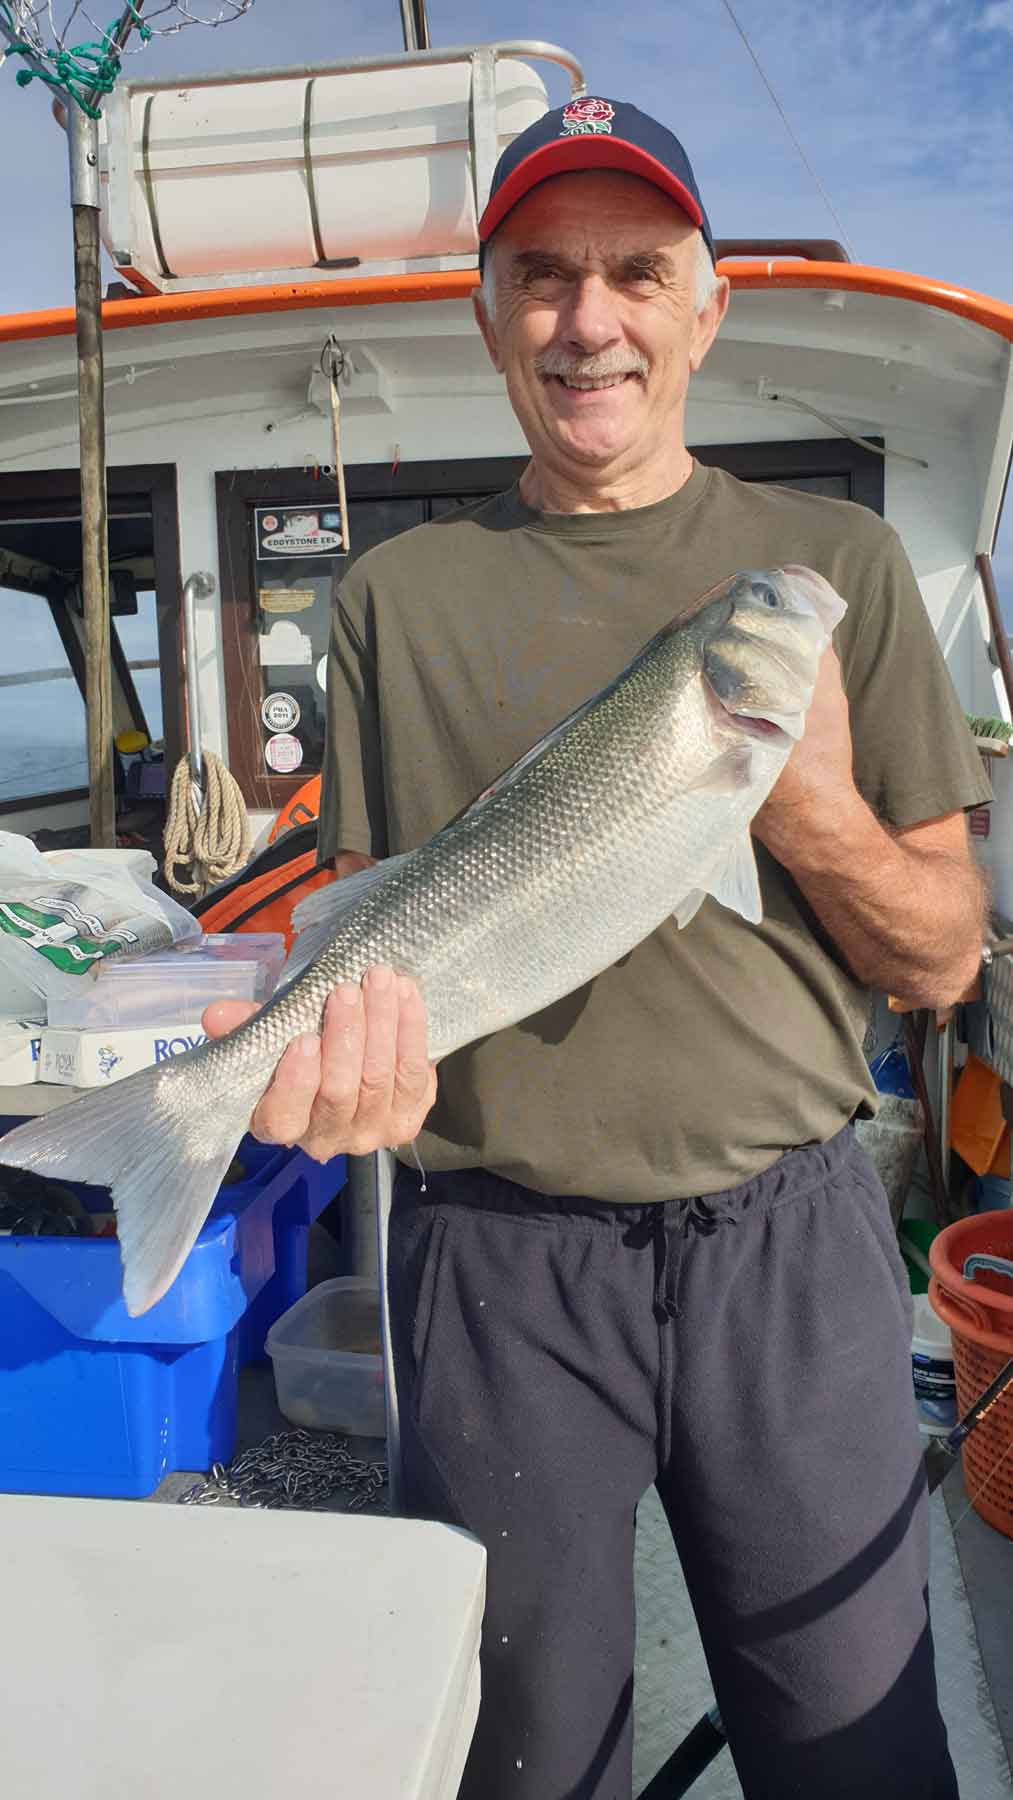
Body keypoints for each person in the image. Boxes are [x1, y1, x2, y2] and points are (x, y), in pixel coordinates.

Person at [207, 100, 989, 1800]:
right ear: (487, 316)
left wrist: (814, 813)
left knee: (861, 1754)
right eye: (541, 277)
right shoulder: (390, 597)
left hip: (787, 1249)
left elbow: (937, 962)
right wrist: (322, 1076)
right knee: (519, 1761)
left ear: (705, 307)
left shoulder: (833, 563)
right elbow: (374, 912)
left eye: (638, 272)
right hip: (495, 1270)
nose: (590, 319)